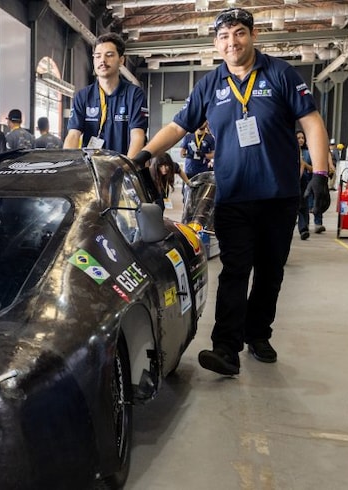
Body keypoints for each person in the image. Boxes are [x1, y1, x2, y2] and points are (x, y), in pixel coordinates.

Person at [131, 8, 331, 376]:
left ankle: (258, 335)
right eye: (224, 36)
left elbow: (311, 121)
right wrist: (144, 155)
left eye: (239, 33)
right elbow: (178, 126)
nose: (232, 42)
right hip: (234, 196)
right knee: (235, 270)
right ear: (215, 43)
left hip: (279, 195)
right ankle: (225, 347)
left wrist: (320, 172)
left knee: (270, 272)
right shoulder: (210, 84)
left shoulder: (281, 74)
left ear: (252, 35)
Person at [63, 32, 148, 158]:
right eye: (97, 56)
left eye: (109, 55)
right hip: (93, 169)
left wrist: (127, 170)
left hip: (124, 167)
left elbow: (137, 136)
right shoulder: (83, 96)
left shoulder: (135, 95)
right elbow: (73, 135)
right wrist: (68, 165)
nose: (102, 60)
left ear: (121, 60)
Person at [295, 130, 314, 240]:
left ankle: (304, 228)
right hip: (292, 181)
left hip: (304, 182)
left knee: (304, 206)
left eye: (302, 138)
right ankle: (303, 228)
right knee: (298, 206)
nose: (301, 140)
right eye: (298, 138)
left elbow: (312, 168)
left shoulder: (308, 153)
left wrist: (304, 164)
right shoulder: (289, 151)